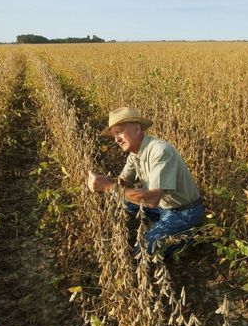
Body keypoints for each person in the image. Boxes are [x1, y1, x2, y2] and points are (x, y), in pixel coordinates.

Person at [86, 106, 203, 256]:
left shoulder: (160, 151)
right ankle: (162, 229)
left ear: (137, 129)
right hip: (163, 207)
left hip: (185, 211)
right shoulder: (134, 154)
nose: (116, 139)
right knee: (119, 201)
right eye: (114, 135)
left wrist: (108, 186)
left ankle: (190, 235)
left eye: (119, 132)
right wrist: (102, 182)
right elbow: (123, 182)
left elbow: (152, 199)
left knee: (143, 253)